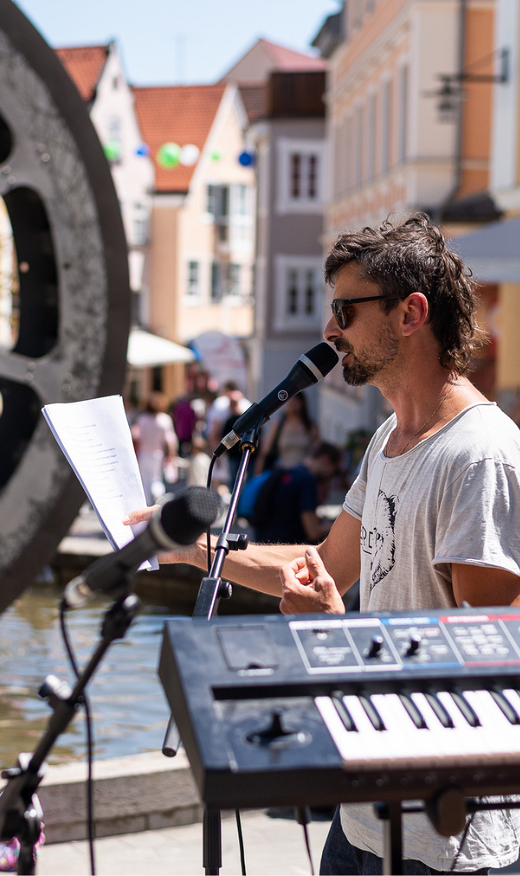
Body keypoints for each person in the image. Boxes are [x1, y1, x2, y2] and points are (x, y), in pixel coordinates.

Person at [126, 214, 520, 874]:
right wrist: (193, 549)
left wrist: (337, 639)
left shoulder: (481, 458)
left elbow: (487, 676)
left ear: (410, 313)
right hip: (366, 808)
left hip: (446, 838)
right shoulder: (389, 440)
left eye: (345, 310)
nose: (328, 332)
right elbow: (323, 568)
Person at [253, 441, 342, 545]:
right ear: (326, 459)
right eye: (336, 471)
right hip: (286, 546)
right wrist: (339, 526)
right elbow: (313, 532)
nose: (332, 476)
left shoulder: (294, 471)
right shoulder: (308, 481)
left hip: (267, 539)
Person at [254, 391, 319, 474]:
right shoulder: (279, 425)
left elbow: (317, 451)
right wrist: (257, 475)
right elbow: (265, 452)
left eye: (295, 402)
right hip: (283, 474)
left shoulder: (310, 426)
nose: (291, 405)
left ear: (302, 403)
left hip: (305, 474)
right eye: (289, 402)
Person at [131, 391, 178, 505]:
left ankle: (145, 505)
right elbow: (170, 440)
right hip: (158, 454)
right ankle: (159, 502)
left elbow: (136, 436)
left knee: (145, 481)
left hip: (143, 454)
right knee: (156, 479)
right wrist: (172, 456)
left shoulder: (142, 419)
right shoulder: (164, 420)